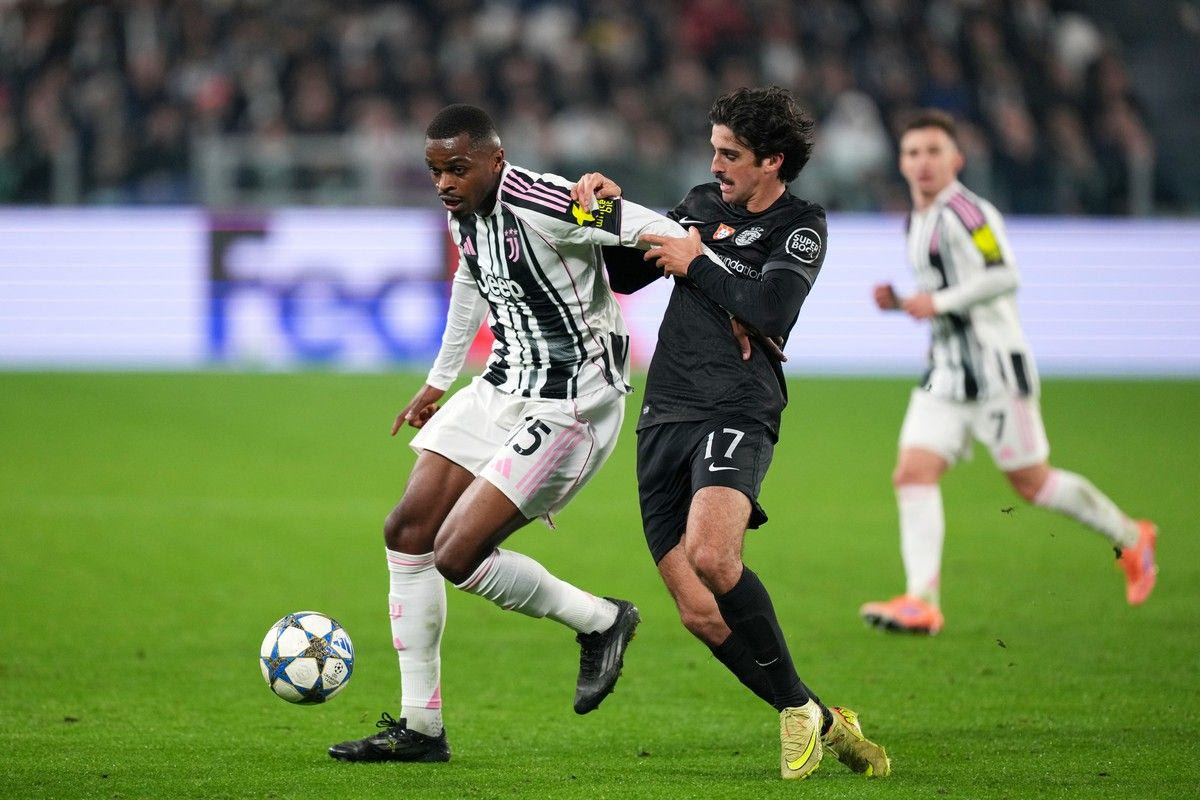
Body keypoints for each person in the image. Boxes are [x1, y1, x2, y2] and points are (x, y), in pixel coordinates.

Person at [328, 104, 720, 763]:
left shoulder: (549, 203)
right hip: (503, 384)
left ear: (496, 161)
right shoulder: (464, 213)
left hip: (572, 402)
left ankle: (601, 620)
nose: (445, 183)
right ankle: (420, 729)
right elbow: (470, 279)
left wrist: (720, 295)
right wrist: (438, 380)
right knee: (406, 532)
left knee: (457, 555)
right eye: (434, 171)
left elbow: (657, 231)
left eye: (457, 169)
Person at [573, 86, 891, 781]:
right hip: (666, 410)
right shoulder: (698, 204)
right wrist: (602, 211)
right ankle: (817, 715)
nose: (716, 165)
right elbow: (624, 274)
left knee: (714, 557)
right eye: (714, 150)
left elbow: (772, 308)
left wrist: (699, 265)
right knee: (698, 611)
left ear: (772, 161)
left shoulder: (800, 225)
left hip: (737, 406)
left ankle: (795, 712)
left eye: (732, 154)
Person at [859, 110, 1158, 636]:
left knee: (1032, 483)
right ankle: (922, 601)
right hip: (946, 373)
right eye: (913, 152)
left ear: (957, 159)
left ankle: (1133, 538)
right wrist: (903, 302)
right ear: (901, 162)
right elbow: (947, 292)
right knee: (912, 473)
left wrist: (937, 302)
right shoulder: (915, 220)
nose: (923, 162)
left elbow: (1003, 275)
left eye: (933, 151)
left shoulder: (968, 213)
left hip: (996, 370)